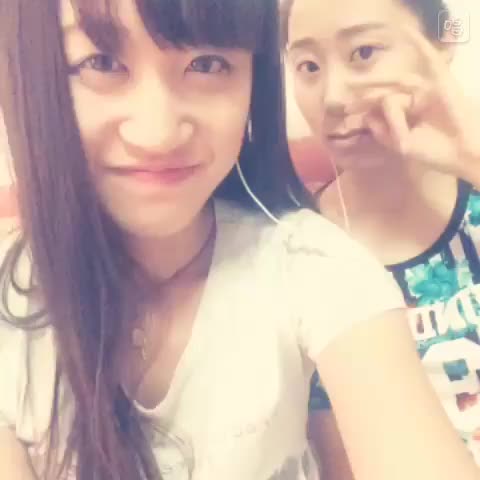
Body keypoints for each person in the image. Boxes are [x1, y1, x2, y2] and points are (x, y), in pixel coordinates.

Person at [0, 1, 478, 480]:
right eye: (102, 61)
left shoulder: (317, 263)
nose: (158, 134)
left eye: (207, 63)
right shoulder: (15, 300)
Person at [284, 0, 480, 476]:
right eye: (308, 66)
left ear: (442, 42)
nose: (333, 98)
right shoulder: (298, 257)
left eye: (364, 52)